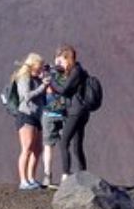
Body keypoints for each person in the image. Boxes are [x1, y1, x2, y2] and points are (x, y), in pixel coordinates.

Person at [47, 45, 90, 181]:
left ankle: (66, 174)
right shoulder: (78, 71)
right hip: (81, 111)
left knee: (64, 141)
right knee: (77, 145)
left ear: (67, 59)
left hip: (75, 112)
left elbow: (64, 90)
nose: (59, 64)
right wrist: (57, 71)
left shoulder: (76, 72)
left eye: (61, 61)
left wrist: (51, 80)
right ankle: (83, 174)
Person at [11, 53, 49, 190]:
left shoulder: (37, 78)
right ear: (33, 64)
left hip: (36, 116)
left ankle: (31, 178)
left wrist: (43, 82)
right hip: (26, 115)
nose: (40, 69)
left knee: (37, 149)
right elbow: (26, 96)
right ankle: (23, 180)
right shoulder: (24, 77)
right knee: (26, 149)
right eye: (39, 66)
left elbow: (42, 96)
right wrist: (41, 87)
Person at [40, 65, 67, 188]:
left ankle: (47, 176)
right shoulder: (65, 78)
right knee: (64, 145)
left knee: (48, 146)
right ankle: (65, 176)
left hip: (48, 114)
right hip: (63, 114)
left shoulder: (47, 77)